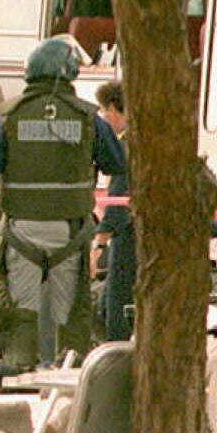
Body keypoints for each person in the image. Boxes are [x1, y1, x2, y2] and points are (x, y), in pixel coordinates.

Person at [0, 36, 126, 372]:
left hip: (21, 231)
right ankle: (69, 373)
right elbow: (116, 163)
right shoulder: (88, 118)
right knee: (69, 312)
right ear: (68, 72)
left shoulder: (10, 117)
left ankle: (19, 368)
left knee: (21, 308)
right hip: (70, 232)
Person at [91, 81, 134, 342]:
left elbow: (119, 199)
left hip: (127, 238)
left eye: (102, 110)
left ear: (113, 108)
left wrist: (99, 243)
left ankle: (117, 353)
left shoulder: (126, 147)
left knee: (116, 307)